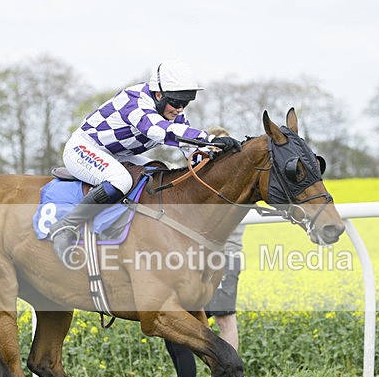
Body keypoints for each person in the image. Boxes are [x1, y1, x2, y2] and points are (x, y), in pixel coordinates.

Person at [49, 60, 242, 264]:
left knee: (158, 170)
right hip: (84, 148)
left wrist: (212, 156)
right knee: (121, 181)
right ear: (158, 95)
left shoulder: (173, 112)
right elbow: (157, 131)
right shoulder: (134, 100)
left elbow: (188, 147)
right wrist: (209, 138)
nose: (180, 109)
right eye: (176, 102)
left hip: (118, 154)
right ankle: (65, 226)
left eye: (185, 103)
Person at [165, 126, 246, 377]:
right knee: (179, 328)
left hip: (222, 259)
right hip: (196, 262)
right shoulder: (204, 182)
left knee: (224, 320)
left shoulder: (228, 186)